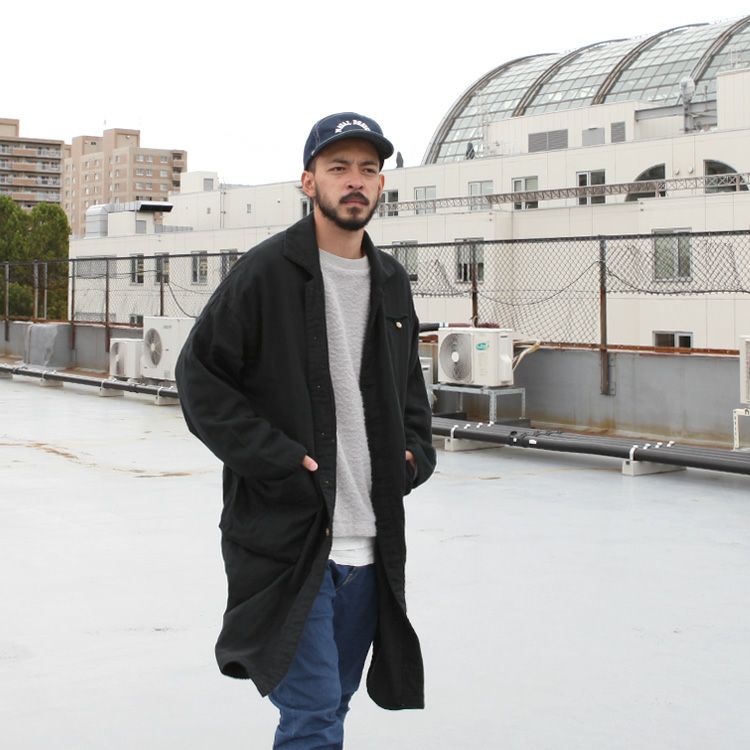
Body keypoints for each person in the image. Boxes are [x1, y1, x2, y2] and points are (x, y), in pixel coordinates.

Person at [175, 111, 436, 749]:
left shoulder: (392, 280)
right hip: (290, 540)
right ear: (308, 181)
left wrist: (412, 456)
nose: (355, 181)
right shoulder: (267, 272)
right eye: (338, 167)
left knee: (334, 703)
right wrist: (280, 461)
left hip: (369, 542)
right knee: (314, 711)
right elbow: (200, 377)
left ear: (382, 185)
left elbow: (409, 390)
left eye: (368, 169)